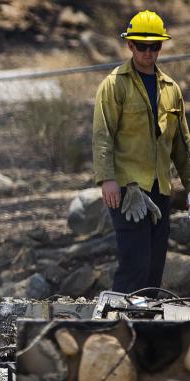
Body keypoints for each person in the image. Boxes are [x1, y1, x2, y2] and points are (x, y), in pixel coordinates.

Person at [93, 9, 190, 295]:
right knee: (134, 263)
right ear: (130, 45)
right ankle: (118, 326)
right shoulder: (114, 85)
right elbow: (103, 134)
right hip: (127, 190)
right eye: (143, 46)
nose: (149, 52)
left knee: (153, 267)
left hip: (160, 188)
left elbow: (182, 144)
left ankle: (145, 329)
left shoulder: (171, 89)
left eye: (155, 46)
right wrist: (107, 180)